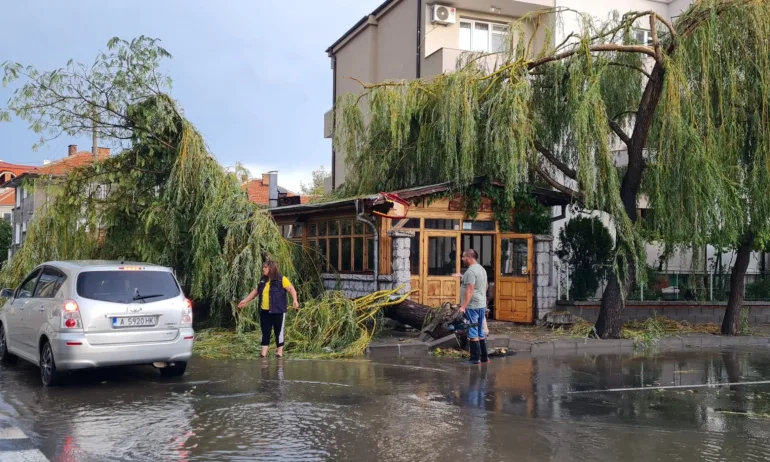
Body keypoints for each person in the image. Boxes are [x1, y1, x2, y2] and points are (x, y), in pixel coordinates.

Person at [237, 261, 299, 358]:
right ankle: (263, 354)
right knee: (265, 331)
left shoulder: (281, 279)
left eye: (265, 267)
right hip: (264, 311)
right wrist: (245, 300)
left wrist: (295, 300)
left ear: (271, 268)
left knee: (278, 331)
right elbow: (255, 291)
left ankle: (279, 353)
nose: (263, 269)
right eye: (264, 267)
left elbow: (291, 289)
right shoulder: (263, 280)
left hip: (278, 311)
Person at [453, 249, 489, 364]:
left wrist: (463, 306)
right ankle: (484, 358)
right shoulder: (481, 269)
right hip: (481, 304)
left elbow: (470, 289)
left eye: (463, 257)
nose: (462, 259)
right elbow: (485, 286)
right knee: (480, 331)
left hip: (472, 306)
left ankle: (475, 359)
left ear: (469, 257)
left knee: (472, 330)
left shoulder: (471, 271)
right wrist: (462, 276)